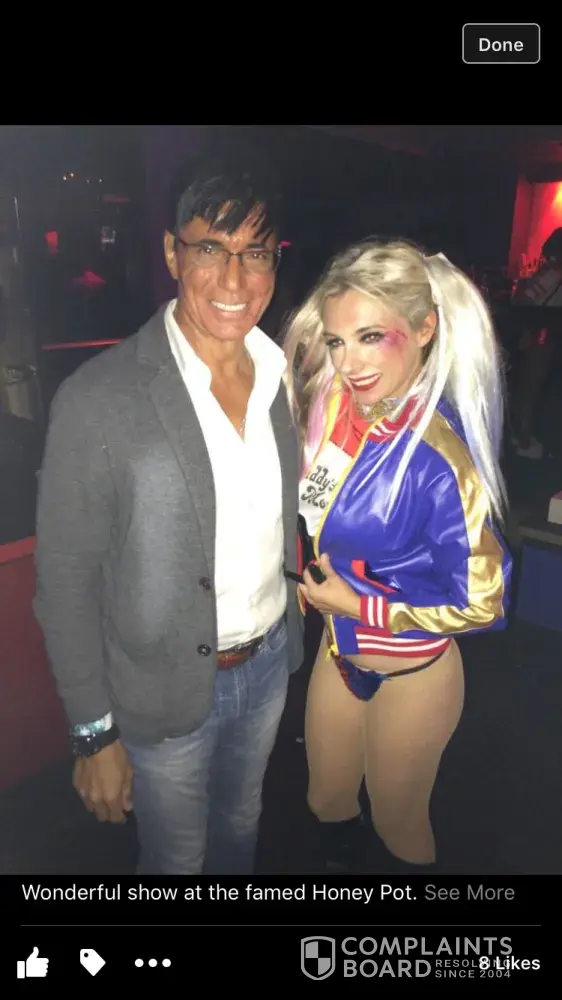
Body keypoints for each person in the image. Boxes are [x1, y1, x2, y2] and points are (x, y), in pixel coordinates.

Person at [33, 145, 304, 875]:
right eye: (210, 248)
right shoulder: (99, 397)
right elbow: (65, 579)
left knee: (242, 826)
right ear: (171, 252)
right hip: (159, 690)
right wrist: (93, 732)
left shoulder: (287, 377)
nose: (235, 280)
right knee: (177, 859)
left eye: (255, 253)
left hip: (269, 664)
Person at [282, 238, 512, 874]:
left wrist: (361, 605)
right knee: (326, 800)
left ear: (424, 328)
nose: (348, 362)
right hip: (339, 654)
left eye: (370, 337)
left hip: (413, 672)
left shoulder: (439, 457)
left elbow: (484, 600)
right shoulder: (336, 410)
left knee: (398, 823)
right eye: (337, 341)